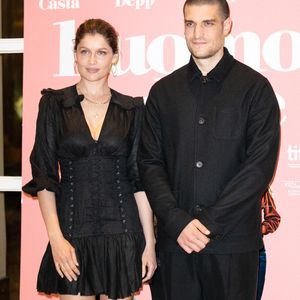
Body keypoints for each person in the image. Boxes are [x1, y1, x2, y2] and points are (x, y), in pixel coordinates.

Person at [138, 0, 280, 299]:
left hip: (234, 246)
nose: (197, 32)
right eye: (190, 23)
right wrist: (177, 221)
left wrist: (207, 224)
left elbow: (259, 168)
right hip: (175, 245)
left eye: (208, 23)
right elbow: (150, 163)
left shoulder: (255, 88)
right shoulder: (163, 92)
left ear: (227, 26)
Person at [22, 18, 156, 300]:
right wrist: (56, 239)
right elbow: (45, 176)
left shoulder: (131, 109)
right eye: (85, 51)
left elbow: (138, 180)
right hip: (71, 234)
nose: (92, 60)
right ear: (75, 56)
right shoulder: (54, 105)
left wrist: (150, 242)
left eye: (101, 52)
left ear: (115, 57)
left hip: (123, 233)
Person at [257, 188, 281, 300]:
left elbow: (274, 218)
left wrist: (257, 230)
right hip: (224, 252)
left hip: (256, 252)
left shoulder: (260, 188)